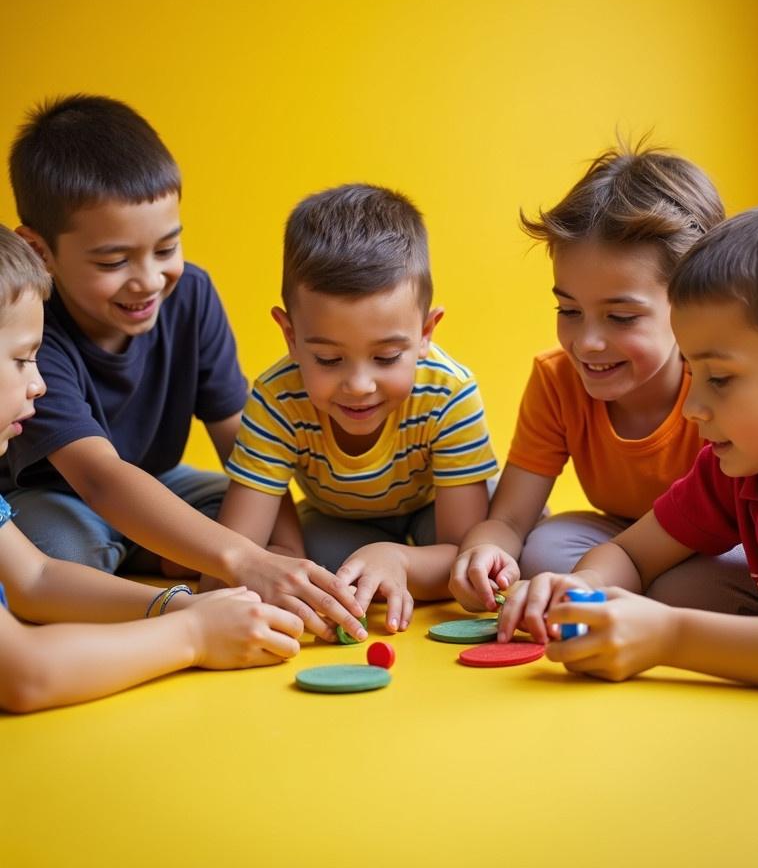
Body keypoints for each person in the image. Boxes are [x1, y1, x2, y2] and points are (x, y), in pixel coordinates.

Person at [3, 95, 364, 643]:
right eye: (113, 261)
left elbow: (251, 450)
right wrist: (243, 559)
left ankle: (163, 549)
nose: (148, 280)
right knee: (57, 545)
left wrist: (279, 551)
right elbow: (99, 479)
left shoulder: (191, 294)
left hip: (161, 480)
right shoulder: (29, 333)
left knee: (243, 508)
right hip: (63, 494)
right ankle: (153, 569)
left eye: (166, 248)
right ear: (40, 251)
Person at [0, 224, 303, 712]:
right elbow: (24, 676)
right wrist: (193, 634)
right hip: (66, 503)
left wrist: (183, 603)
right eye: (21, 361)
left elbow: (35, 580)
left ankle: (152, 549)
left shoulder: (193, 297)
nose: (38, 385)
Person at [450, 143, 729, 626]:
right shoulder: (558, 380)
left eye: (621, 317)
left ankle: (652, 596)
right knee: (545, 549)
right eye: (569, 311)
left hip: (723, 539)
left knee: (692, 580)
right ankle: (641, 589)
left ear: (690, 302)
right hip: (623, 538)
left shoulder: (722, 389)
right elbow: (513, 518)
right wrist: (482, 553)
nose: (588, 343)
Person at [502, 207, 758, 686]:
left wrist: (671, 637)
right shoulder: (729, 470)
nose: (692, 406)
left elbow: (671, 624)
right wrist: (582, 590)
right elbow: (631, 554)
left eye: (720, 379)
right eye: (693, 371)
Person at [215, 183, 498, 632]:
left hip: (435, 511)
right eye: (328, 359)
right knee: (327, 564)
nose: (360, 386)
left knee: (487, 565)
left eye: (386, 358)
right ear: (290, 337)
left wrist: (398, 559)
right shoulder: (277, 398)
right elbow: (236, 551)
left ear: (426, 332)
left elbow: (462, 551)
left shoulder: (449, 392)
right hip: (339, 518)